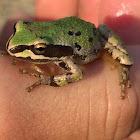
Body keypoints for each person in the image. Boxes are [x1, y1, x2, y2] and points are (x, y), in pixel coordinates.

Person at [0, 0, 140, 139]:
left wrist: (48, 80)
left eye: (39, 49)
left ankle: (125, 67)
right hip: (70, 33)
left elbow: (77, 74)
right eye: (16, 29)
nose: (11, 44)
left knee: (124, 59)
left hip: (97, 42)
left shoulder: (65, 57)